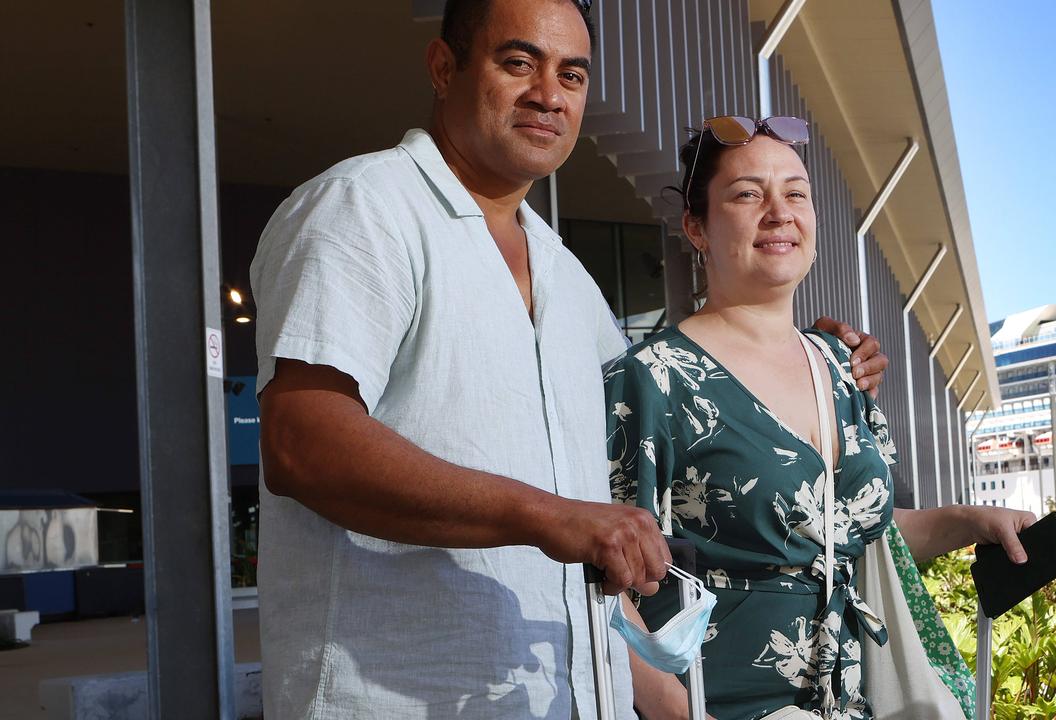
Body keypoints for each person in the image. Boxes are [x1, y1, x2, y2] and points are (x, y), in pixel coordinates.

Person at [249, 2, 889, 718]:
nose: (549, 94)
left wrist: (808, 352)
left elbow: (699, 404)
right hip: (395, 692)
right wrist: (546, 516)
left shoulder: (567, 277)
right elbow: (300, 441)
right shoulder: (364, 207)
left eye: (572, 74)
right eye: (518, 63)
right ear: (443, 67)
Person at [604, 117, 1036, 720]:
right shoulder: (652, 378)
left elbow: (849, 533)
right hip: (724, 705)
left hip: (852, 702)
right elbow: (603, 583)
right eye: (748, 193)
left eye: (796, 192)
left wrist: (972, 521)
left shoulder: (840, 364)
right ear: (696, 227)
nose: (779, 212)